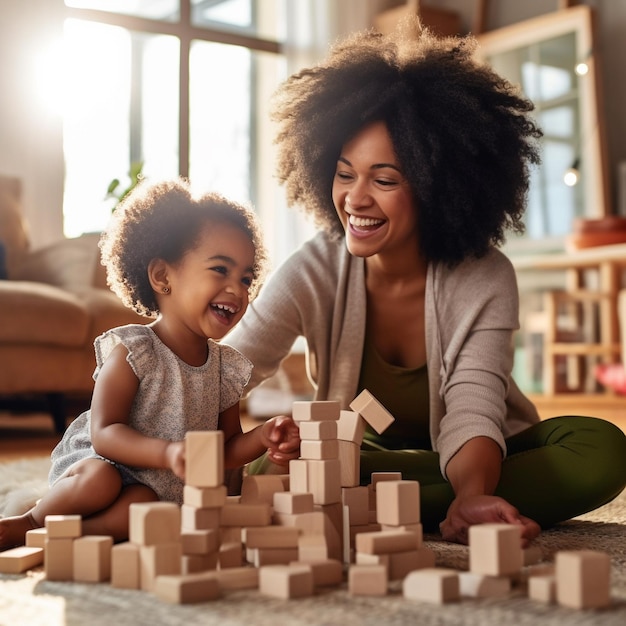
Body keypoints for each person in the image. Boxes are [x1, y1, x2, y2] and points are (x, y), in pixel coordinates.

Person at [225, 18, 626, 546]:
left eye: (384, 179)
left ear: (438, 187)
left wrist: (472, 491)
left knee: (602, 449)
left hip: (478, 455)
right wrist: (133, 438)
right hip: (363, 454)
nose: (355, 199)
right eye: (345, 173)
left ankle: (391, 503)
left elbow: (473, 405)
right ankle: (409, 502)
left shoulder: (484, 277)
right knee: (276, 461)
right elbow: (228, 370)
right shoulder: (316, 267)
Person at [0, 178, 300, 550]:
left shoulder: (226, 370)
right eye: (220, 270)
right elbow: (105, 432)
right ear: (161, 276)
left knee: (144, 508)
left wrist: (263, 436)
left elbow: (226, 450)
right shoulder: (135, 351)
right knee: (101, 482)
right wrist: (167, 452)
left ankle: (60, 538)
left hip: (155, 492)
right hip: (106, 466)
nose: (238, 289)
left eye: (246, 278)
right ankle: (30, 520)